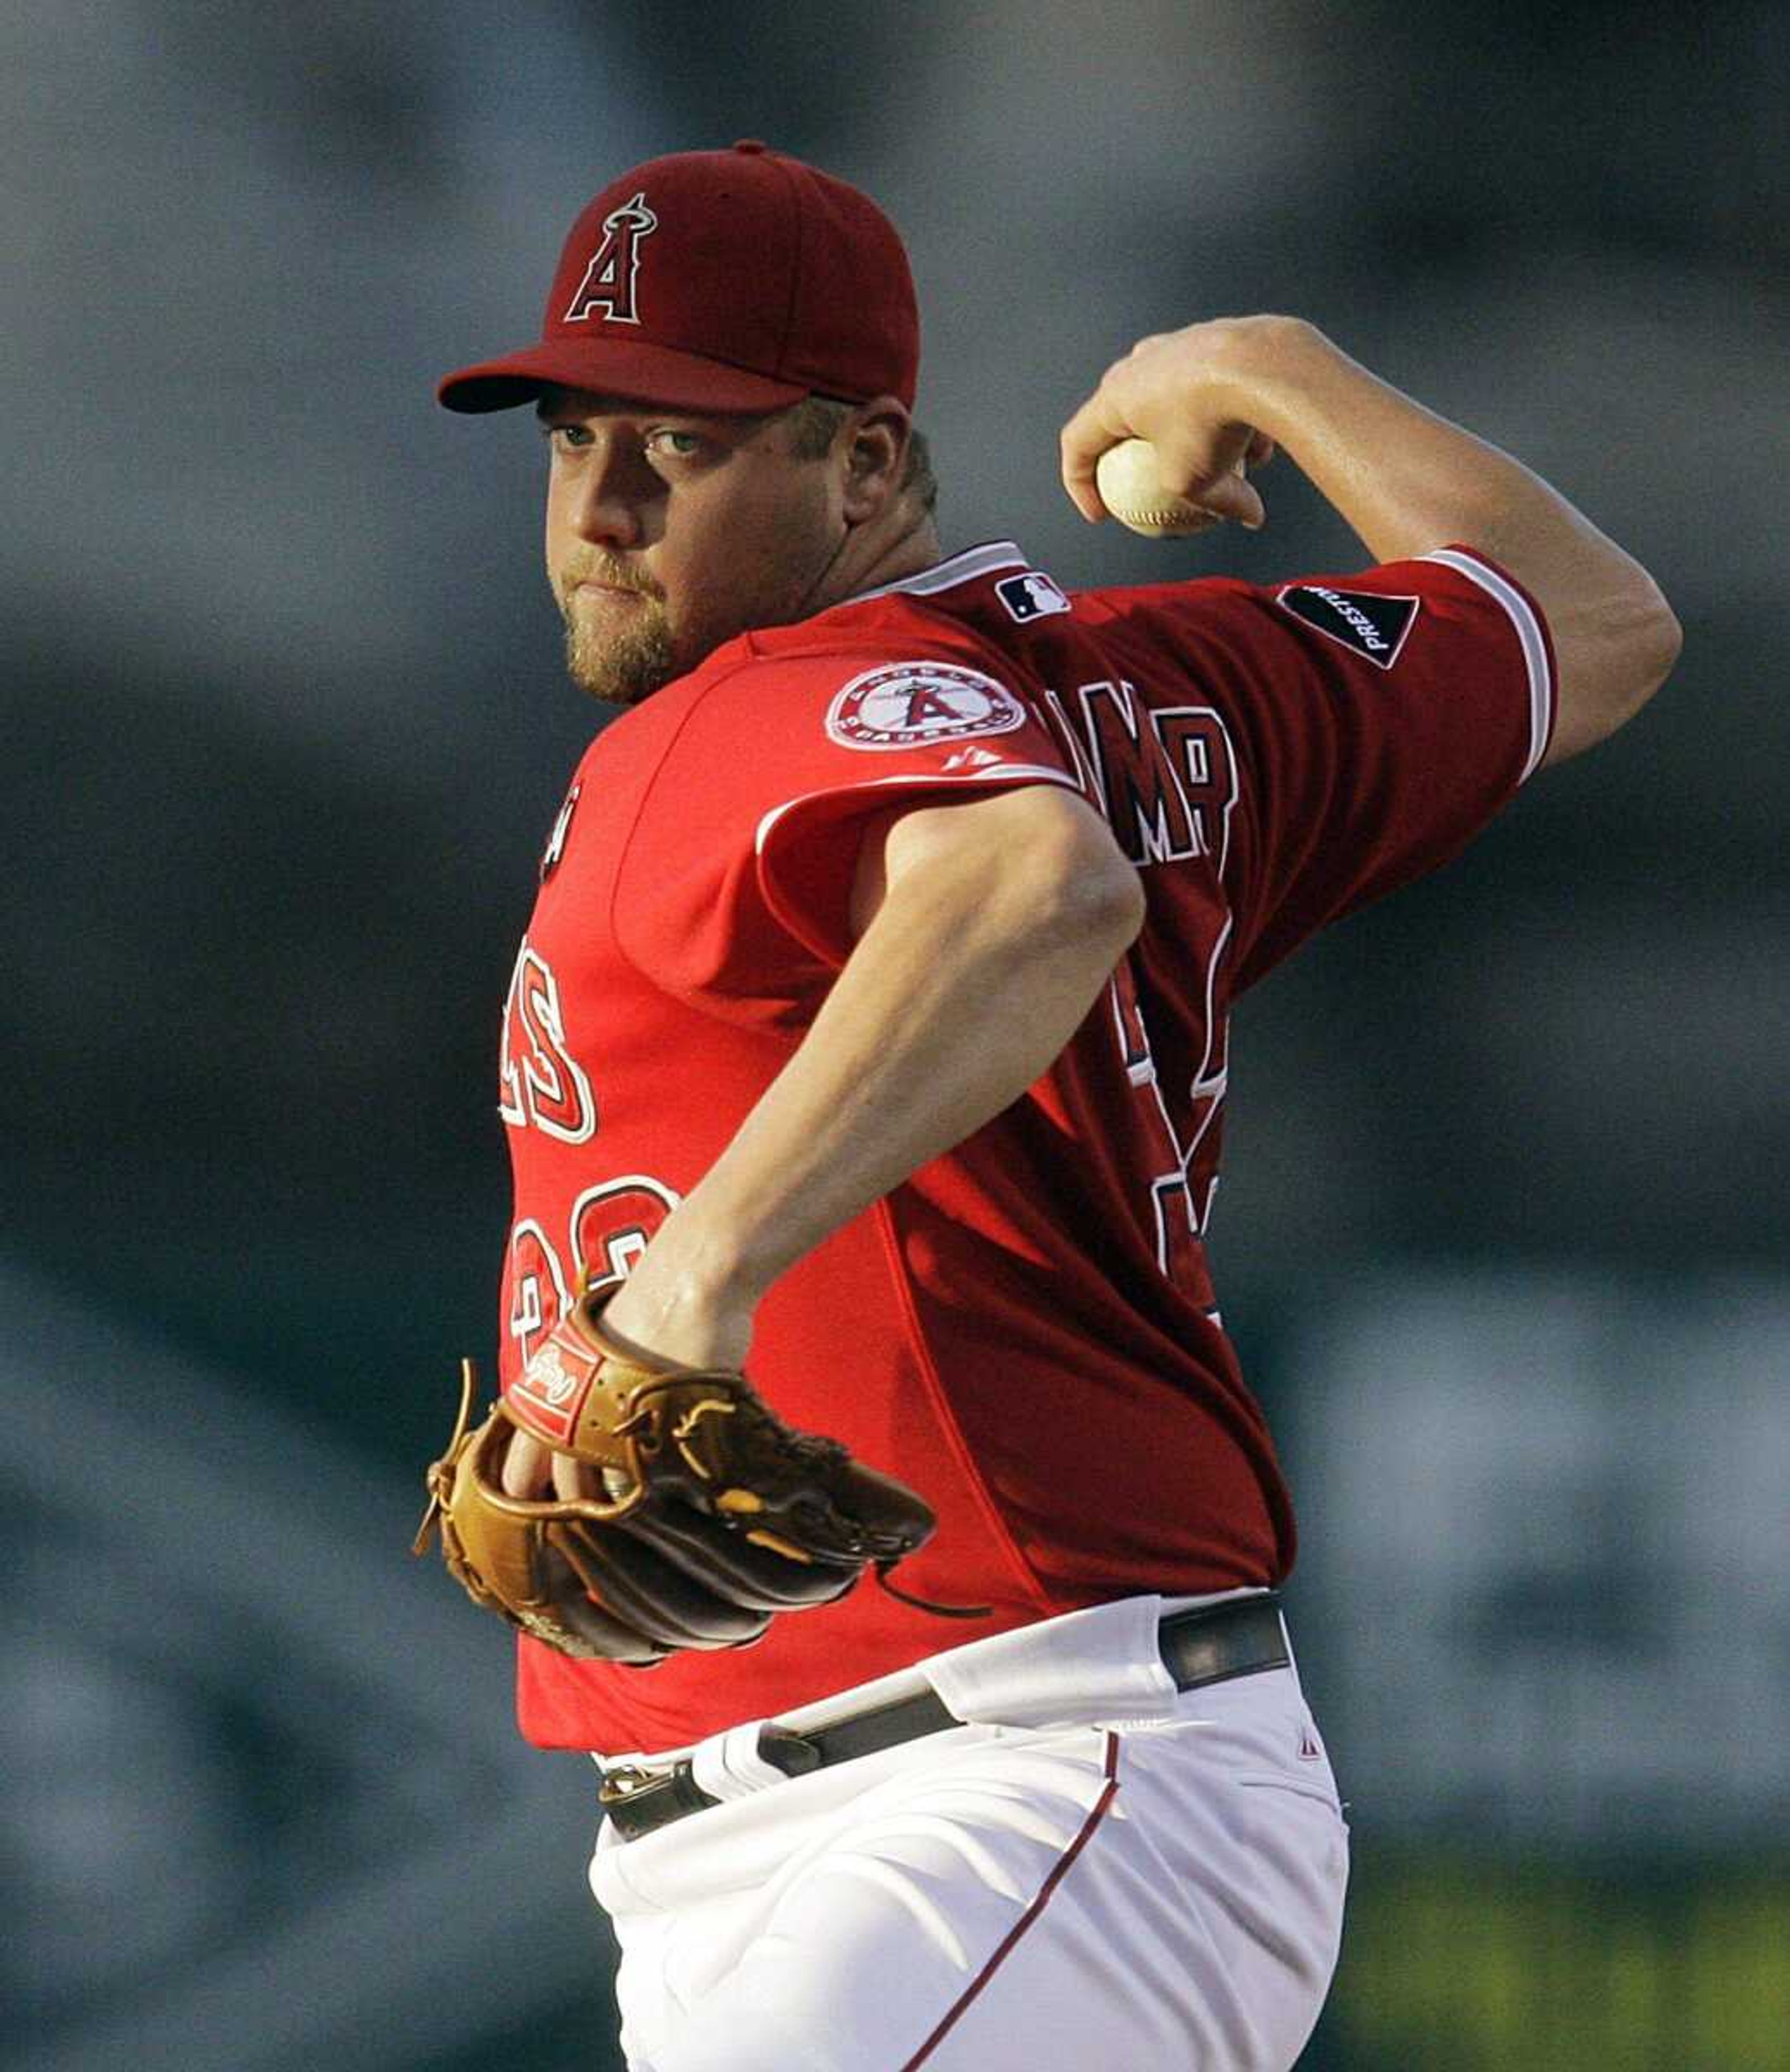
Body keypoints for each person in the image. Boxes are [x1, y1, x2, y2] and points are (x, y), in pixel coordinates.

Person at [435, 141, 1679, 2072]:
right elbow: (1589, 622)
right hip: (885, 1834)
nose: (598, 507)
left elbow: (1037, 886)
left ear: (863, 467)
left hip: (993, 1788)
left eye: (678, 449)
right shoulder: (1180, 689)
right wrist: (1279, 371)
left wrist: (689, 1289)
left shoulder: (778, 699)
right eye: (572, 437)